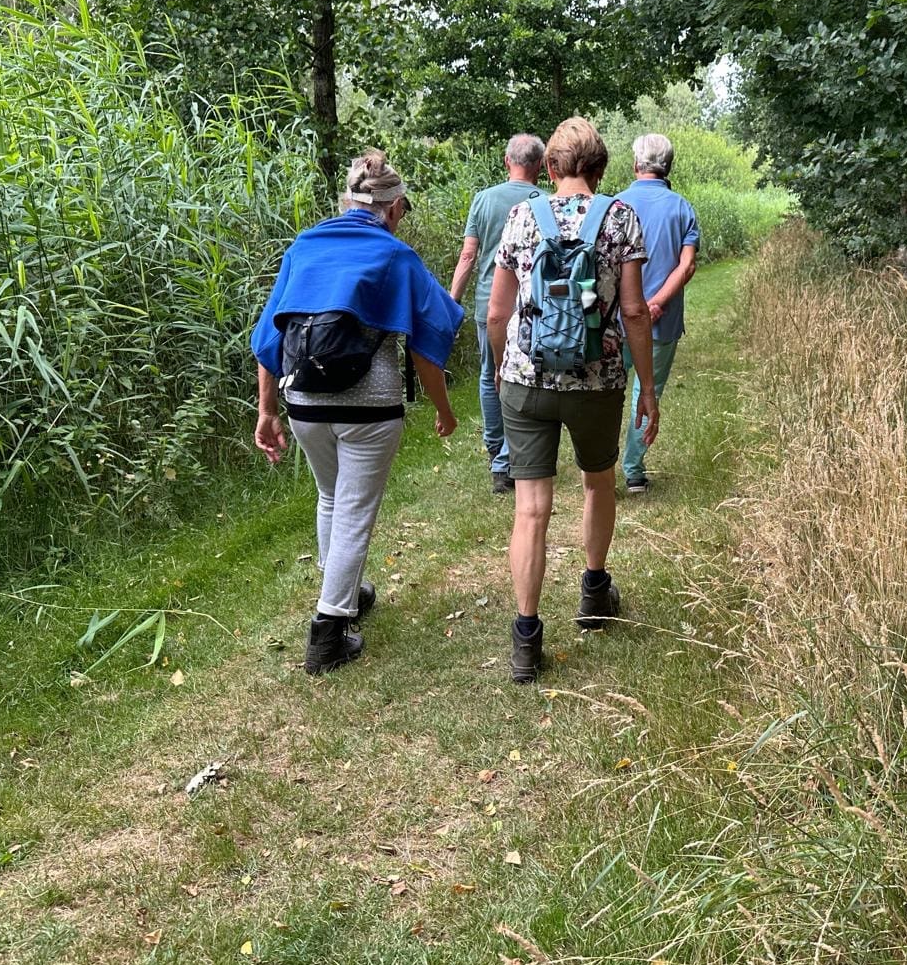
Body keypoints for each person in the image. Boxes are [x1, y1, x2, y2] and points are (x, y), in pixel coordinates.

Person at [251, 149, 464, 675]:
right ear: (392, 207)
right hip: (369, 405)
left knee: (331, 496)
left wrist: (267, 411)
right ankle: (328, 631)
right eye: (403, 210)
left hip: (303, 401)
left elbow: (269, 337)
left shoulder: (304, 246)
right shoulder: (395, 256)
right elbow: (428, 344)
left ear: (347, 202)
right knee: (353, 510)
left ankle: (346, 589)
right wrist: (444, 408)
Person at [485, 117, 659, 684]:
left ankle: (526, 639)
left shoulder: (520, 217)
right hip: (597, 381)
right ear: (600, 169)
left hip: (527, 379)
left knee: (531, 508)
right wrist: (646, 386)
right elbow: (634, 311)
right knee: (597, 482)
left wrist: (501, 367)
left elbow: (497, 312)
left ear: (551, 167)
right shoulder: (620, 218)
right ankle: (593, 591)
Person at [448, 134, 546, 495]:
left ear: (507, 161)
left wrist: (451, 303)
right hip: (532, 307)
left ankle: (497, 455)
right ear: (540, 167)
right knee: (527, 377)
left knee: (491, 375)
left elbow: (468, 256)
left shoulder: (484, 199)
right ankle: (514, 455)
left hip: (490, 304)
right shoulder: (545, 203)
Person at [618, 133, 700, 493]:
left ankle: (599, 464)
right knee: (647, 390)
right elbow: (687, 265)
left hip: (617, 320)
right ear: (669, 166)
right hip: (661, 323)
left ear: (636, 164)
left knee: (607, 391)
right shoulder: (682, 208)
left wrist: (637, 306)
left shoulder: (615, 205)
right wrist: (657, 304)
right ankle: (633, 471)